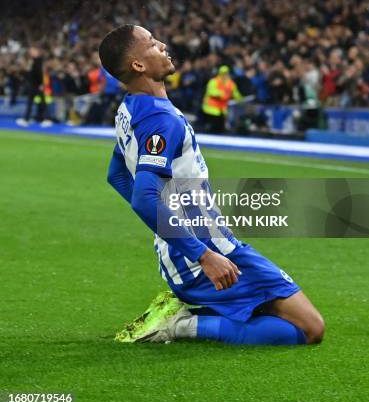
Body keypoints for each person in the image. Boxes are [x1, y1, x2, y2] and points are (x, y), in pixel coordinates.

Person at [99, 24, 324, 346]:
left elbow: (117, 175)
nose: (162, 45)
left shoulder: (129, 109)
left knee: (285, 319)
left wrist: (168, 220)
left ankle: (188, 318)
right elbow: (143, 197)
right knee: (309, 329)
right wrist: (203, 255)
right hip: (203, 249)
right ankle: (179, 325)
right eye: (151, 43)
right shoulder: (162, 120)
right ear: (138, 64)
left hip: (183, 249)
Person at [201, 65, 243, 133]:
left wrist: (241, 100)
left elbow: (236, 94)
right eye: (223, 73)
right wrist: (221, 94)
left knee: (220, 129)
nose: (225, 75)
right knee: (212, 129)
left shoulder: (231, 84)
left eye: (226, 73)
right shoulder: (213, 81)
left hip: (222, 110)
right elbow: (210, 91)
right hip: (211, 109)